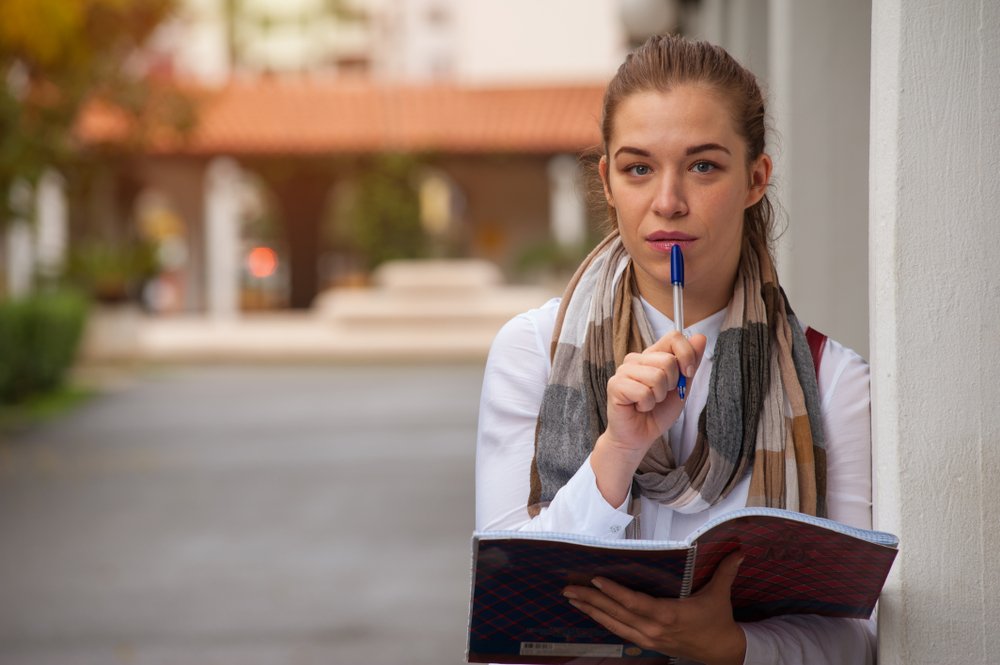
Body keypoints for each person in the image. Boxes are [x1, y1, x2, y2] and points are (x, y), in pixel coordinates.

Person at [475, 34, 873, 665]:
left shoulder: (832, 380)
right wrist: (616, 452)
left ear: (755, 178)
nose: (667, 202)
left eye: (703, 166)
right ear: (606, 181)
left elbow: (859, 636)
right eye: (638, 168)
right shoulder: (533, 352)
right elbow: (505, 612)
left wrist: (734, 646)